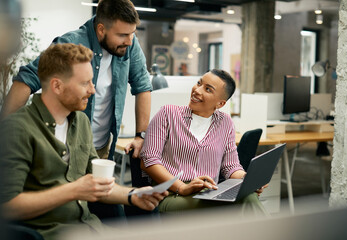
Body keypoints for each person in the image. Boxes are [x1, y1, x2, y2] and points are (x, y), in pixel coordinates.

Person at [0, 43, 167, 240]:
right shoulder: (17, 129)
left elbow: (97, 185)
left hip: (91, 229)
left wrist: (133, 195)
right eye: (85, 83)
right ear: (57, 86)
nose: (93, 90)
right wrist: (73, 190)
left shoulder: (81, 122)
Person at [0, 0, 150, 159]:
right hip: (65, 148)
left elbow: (143, 85)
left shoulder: (130, 46)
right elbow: (26, 79)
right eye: (122, 35)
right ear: (101, 29)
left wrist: (141, 136)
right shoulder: (71, 43)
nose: (129, 40)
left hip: (101, 147)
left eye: (132, 33)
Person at [140, 69, 267, 214]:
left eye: (207, 89)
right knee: (243, 203)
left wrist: (248, 179)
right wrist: (182, 187)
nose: (197, 90)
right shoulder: (168, 114)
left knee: (248, 196)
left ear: (220, 103)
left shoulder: (225, 122)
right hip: (171, 193)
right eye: (199, 83)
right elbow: (148, 161)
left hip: (208, 193)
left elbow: (230, 167)